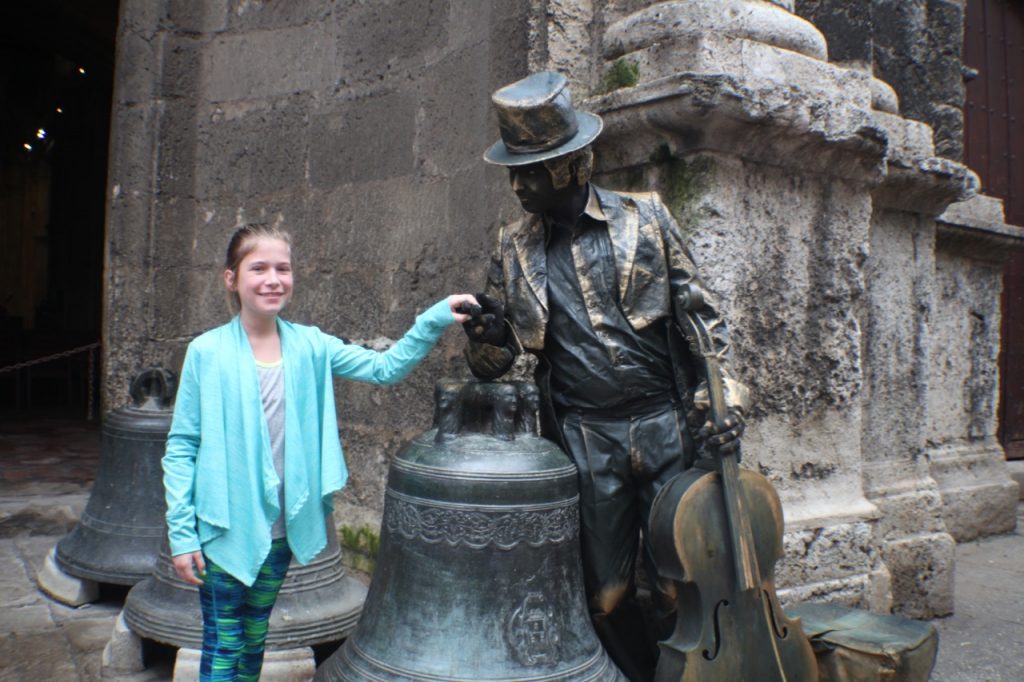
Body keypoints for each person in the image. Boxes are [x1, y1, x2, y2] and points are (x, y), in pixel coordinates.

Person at [461, 72, 750, 681]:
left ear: (572, 166)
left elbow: (703, 318)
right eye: (514, 170)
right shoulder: (513, 246)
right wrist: (486, 341)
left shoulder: (645, 219)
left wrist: (725, 399)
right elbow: (501, 358)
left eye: (531, 169)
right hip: (588, 441)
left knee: (682, 581)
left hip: (666, 424)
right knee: (608, 594)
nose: (518, 184)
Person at [163, 223, 477, 681]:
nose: (273, 279)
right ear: (231, 279)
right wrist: (182, 534)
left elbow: (386, 368)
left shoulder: (311, 345)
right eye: (259, 268)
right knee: (223, 641)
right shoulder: (205, 352)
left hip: (281, 531)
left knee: (254, 637)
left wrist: (434, 318)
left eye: (283, 268)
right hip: (223, 528)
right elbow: (181, 445)